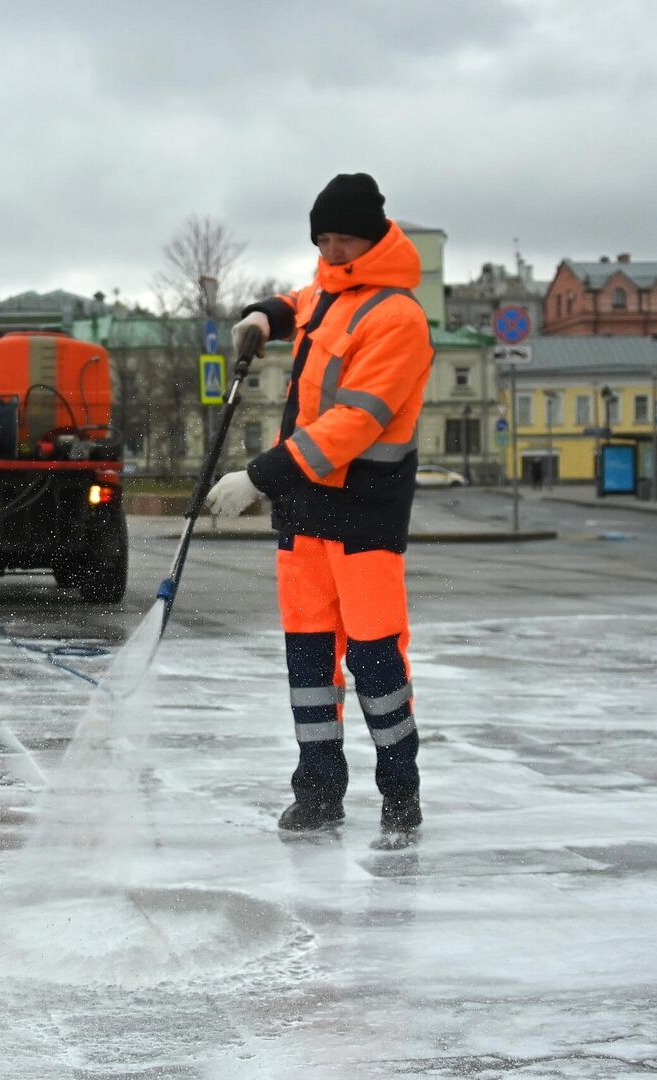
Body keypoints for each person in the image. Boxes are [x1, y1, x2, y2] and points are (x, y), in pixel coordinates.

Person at [204, 173, 435, 845]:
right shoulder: (327, 294)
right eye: (324, 238)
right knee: (308, 665)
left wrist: (258, 476)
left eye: (346, 238)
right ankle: (318, 793)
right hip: (305, 516)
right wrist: (260, 316)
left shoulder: (398, 317)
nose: (333, 250)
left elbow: (352, 424)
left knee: (376, 664)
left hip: (364, 517)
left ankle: (400, 794)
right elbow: (294, 303)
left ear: (375, 237)